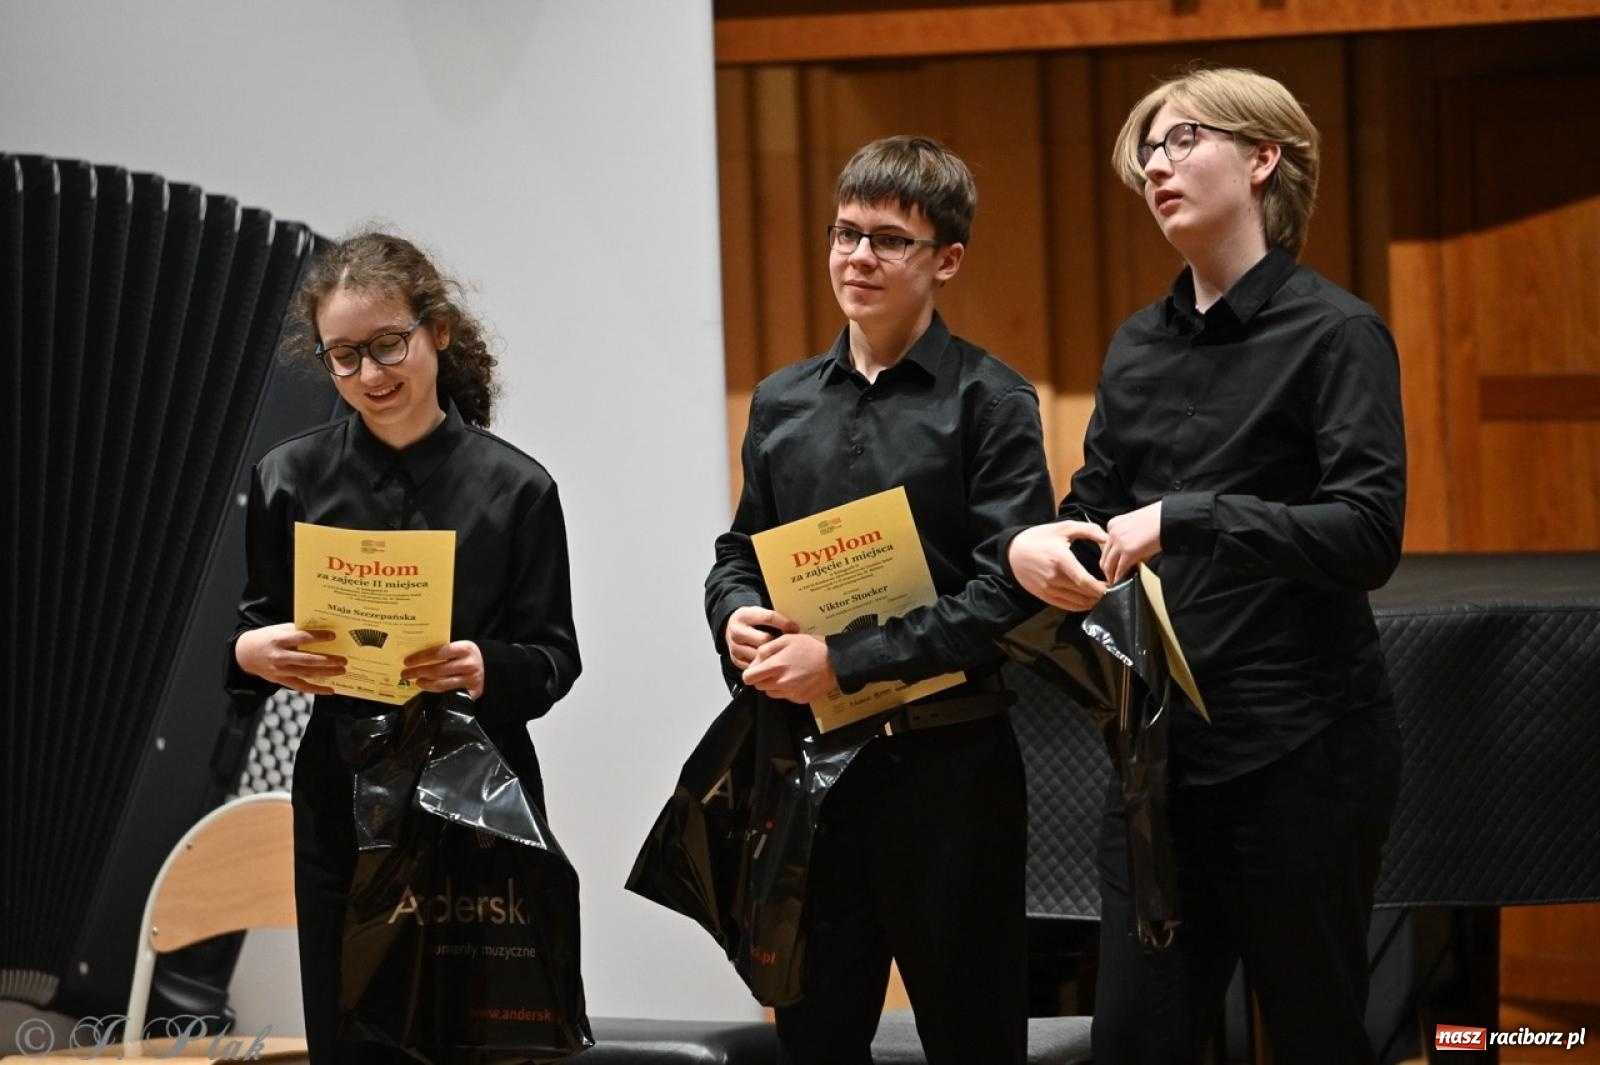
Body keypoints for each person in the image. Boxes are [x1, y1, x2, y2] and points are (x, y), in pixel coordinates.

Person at [1007, 67, 1406, 1063]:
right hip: (1156, 760)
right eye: (1147, 149)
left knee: (1314, 1035)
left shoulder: (1337, 333)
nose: (1154, 163)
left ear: (1262, 157)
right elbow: (1097, 515)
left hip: (1301, 754)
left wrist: (1186, 519)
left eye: (1182, 139)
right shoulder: (1136, 345)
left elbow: (1366, 534)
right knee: (1137, 1042)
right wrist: (1043, 548)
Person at [704, 135, 1056, 1065]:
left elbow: (1007, 593)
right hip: (815, 771)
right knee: (816, 1037)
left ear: (946, 260)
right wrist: (733, 612)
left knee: (971, 1037)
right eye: (846, 233)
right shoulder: (782, 402)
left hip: (951, 772)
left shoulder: (992, 400)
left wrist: (844, 659)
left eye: (889, 240)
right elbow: (739, 549)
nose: (859, 257)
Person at [226, 230, 581, 1063]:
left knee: (475, 1043)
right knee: (349, 1040)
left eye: (389, 345)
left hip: (477, 800)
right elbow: (252, 625)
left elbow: (555, 656)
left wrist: (486, 665)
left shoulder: (517, 486)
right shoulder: (289, 478)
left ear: (438, 332)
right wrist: (255, 655)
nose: (371, 376)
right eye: (343, 357)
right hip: (339, 798)